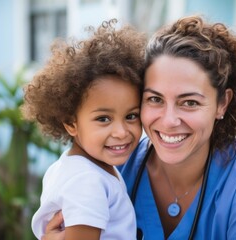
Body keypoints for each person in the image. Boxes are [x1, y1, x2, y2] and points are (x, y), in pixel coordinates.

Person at [42, 15, 236, 240]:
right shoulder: (112, 167)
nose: (169, 120)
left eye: (190, 102)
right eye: (155, 99)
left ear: (222, 103)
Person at [21, 19, 146, 240]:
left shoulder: (79, 167)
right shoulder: (86, 181)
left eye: (131, 116)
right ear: (71, 124)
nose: (121, 131)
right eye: (103, 118)